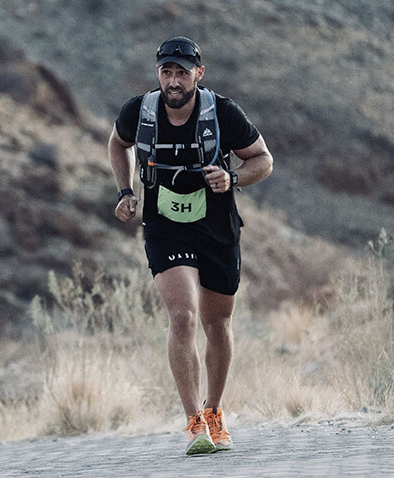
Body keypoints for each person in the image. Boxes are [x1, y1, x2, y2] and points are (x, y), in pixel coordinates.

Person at [108, 36, 273, 455]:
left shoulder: (223, 112)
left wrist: (232, 178)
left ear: (199, 74)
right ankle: (193, 422)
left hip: (216, 226)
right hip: (166, 227)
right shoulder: (139, 112)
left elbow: (262, 160)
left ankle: (214, 411)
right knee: (182, 315)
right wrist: (125, 191)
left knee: (217, 324)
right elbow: (118, 143)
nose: (174, 80)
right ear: (158, 73)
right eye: (167, 71)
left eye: (183, 72)